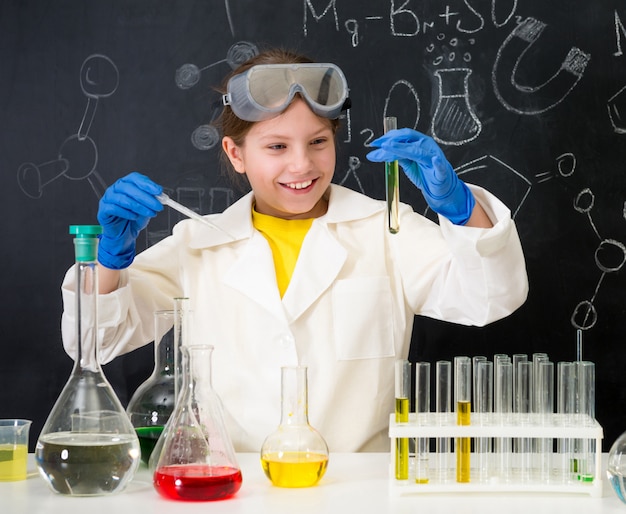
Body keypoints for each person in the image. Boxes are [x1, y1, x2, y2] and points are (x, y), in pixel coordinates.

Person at [60, 48, 528, 452]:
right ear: (236, 153)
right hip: (235, 484)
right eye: (277, 146)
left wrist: (463, 211)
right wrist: (109, 261)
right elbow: (93, 344)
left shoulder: (387, 228)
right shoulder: (198, 245)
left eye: (318, 142)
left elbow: (490, 299)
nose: (301, 164)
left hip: (360, 488)